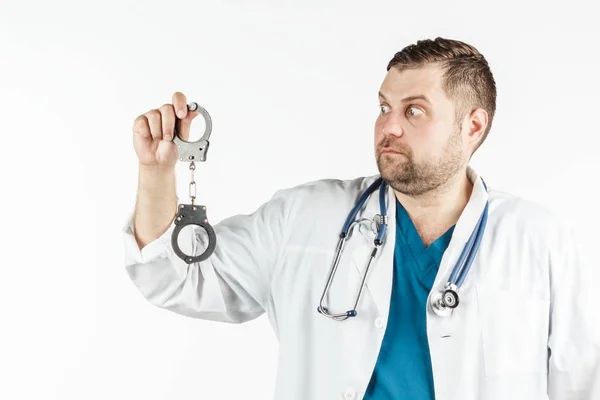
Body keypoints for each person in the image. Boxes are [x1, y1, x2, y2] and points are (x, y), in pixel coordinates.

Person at [122, 37, 599, 399]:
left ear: (473, 126)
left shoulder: (540, 240)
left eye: (415, 111)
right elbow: (176, 277)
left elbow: (583, 385)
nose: (389, 126)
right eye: (384, 107)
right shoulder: (304, 218)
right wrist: (157, 172)